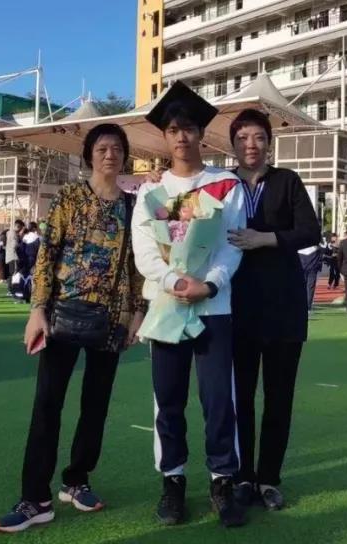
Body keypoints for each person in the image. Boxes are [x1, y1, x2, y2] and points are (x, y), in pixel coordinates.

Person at [0, 124, 147, 534]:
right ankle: (35, 498)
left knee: (96, 405)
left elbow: (138, 265)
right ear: (89, 155)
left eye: (117, 148)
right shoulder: (69, 197)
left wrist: (137, 313)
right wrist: (37, 310)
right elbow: (47, 255)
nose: (110, 154)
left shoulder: (134, 207)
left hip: (112, 319)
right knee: (47, 404)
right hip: (63, 313)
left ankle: (77, 480)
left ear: (125, 155)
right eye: (102, 148)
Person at [131, 82, 248, 528]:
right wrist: (175, 281)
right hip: (167, 307)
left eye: (189, 129)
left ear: (201, 133)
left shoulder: (226, 185)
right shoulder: (150, 192)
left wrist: (210, 285)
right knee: (168, 399)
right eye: (173, 129)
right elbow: (144, 251)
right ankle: (173, 482)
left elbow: (232, 244)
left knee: (219, 398)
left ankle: (222, 481)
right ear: (165, 136)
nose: (182, 137)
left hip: (214, 307)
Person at [222, 109, 321, 512]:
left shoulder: (287, 181)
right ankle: (243, 476)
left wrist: (264, 238)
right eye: (243, 138)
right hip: (236, 308)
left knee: (279, 399)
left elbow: (310, 231)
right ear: (233, 144)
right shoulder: (222, 184)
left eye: (259, 137)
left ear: (269, 143)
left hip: (283, 308)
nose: (251, 145)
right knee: (240, 399)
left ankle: (269, 479)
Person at [298, 245, 322, 316]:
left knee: (302, 288)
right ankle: (308, 308)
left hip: (303, 268)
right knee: (310, 288)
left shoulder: (299, 249)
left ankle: (301, 306)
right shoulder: (316, 248)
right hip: (312, 268)